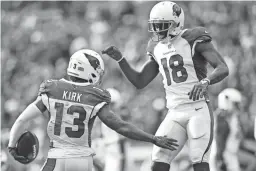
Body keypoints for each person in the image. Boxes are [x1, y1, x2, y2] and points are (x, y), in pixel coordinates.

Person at [102, 1, 229, 171]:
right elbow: (140, 81)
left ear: (176, 23)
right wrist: (121, 60)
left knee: (199, 160)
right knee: (158, 161)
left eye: (161, 25)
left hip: (197, 109)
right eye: (154, 26)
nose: (157, 30)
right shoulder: (156, 47)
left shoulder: (193, 39)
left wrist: (206, 82)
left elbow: (222, 67)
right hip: (174, 112)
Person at [8, 49, 179, 171]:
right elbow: (121, 127)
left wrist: (11, 146)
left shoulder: (53, 89)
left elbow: (22, 120)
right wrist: (152, 138)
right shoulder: (95, 96)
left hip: (58, 159)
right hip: (83, 162)